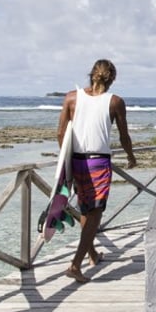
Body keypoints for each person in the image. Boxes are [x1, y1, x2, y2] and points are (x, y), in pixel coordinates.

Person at [56, 59, 137, 283]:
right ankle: (75, 264)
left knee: (85, 210)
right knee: (95, 214)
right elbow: (124, 136)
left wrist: (66, 165)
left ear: (91, 74)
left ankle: (92, 254)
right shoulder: (116, 102)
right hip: (98, 163)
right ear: (112, 79)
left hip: (76, 161)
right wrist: (131, 157)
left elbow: (61, 134)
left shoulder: (71, 97)